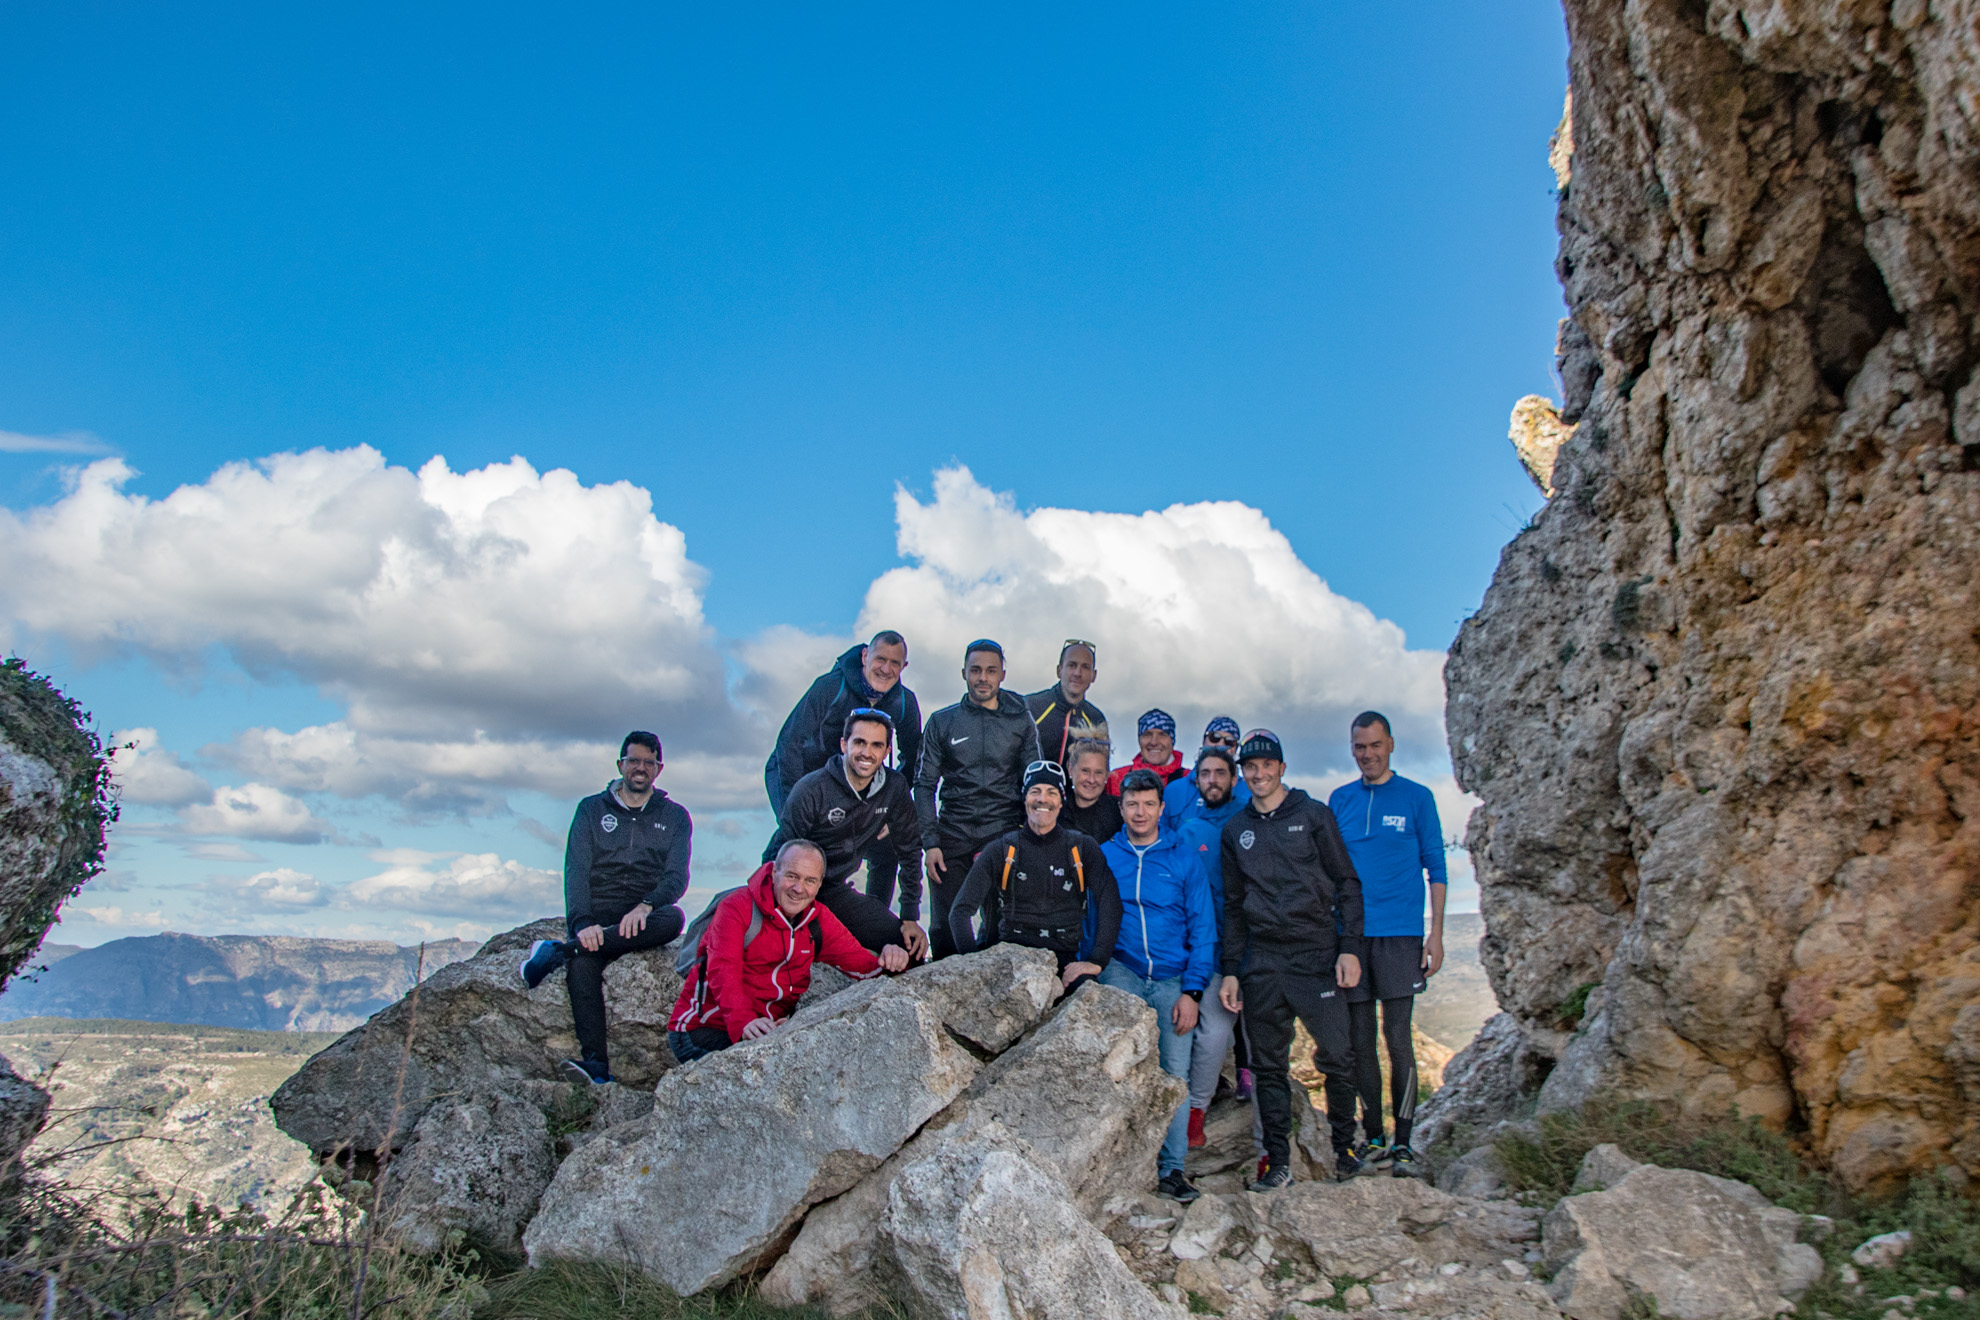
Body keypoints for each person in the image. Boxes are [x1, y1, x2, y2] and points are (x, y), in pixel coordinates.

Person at [1216, 729, 1365, 1189]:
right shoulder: (1235, 830)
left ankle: (1345, 1149)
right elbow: (1235, 907)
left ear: (1282, 768)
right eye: (1250, 767)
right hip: (1262, 961)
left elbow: (1347, 884)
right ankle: (1277, 1163)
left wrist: (1350, 948)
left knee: (1339, 1056)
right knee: (1268, 1069)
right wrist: (1232, 971)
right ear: (1244, 774)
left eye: (1267, 765)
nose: (1259, 774)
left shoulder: (1314, 815)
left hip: (1315, 954)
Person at [521, 732, 693, 1084]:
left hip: (641, 915)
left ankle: (558, 951)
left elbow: (676, 878)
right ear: (620, 765)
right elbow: (576, 869)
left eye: (648, 762)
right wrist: (582, 921)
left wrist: (646, 905)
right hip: (597, 913)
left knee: (673, 918)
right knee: (583, 965)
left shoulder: (675, 817)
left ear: (659, 769)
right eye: (633, 761)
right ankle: (596, 1065)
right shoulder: (591, 809)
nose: (640, 768)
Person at [1326, 711, 1447, 1178]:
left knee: (1398, 1041)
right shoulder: (1340, 800)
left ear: (1390, 744)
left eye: (1375, 745)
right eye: (1359, 747)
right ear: (1351, 748)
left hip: (1400, 935)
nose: (1368, 755)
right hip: (1352, 939)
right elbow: (1330, 871)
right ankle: (1373, 1134)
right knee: (1359, 1042)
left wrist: (1434, 934)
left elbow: (1436, 867)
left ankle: (1404, 1141)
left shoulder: (1418, 797)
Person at [667, 841, 908, 1062]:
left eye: (809, 880)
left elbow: (864, 967)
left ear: (819, 884)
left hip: (765, 1031)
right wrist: (744, 1022)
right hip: (704, 1029)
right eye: (792, 876)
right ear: (774, 873)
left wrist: (891, 959)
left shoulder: (817, 919)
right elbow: (722, 970)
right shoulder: (737, 906)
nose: (798, 888)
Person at [1099, 768, 1218, 1203]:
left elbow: (1203, 930)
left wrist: (1193, 992)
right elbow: (1088, 916)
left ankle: (1172, 1170)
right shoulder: (1105, 855)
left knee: (1174, 1078)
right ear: (1122, 807)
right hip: (1122, 971)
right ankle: (1115, 1164)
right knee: (1117, 1070)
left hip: (1172, 979)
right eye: (1133, 803)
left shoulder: (1183, 858)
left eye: (1149, 804)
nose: (1141, 811)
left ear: (1162, 808)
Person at [765, 631, 921, 910]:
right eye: (880, 659)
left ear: (904, 667)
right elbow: (790, 744)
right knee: (799, 847)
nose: (886, 669)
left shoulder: (905, 703)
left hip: (856, 785)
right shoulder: (829, 688)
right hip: (801, 778)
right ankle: (768, 910)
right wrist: (798, 800)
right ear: (864, 656)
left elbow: (912, 757)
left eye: (895, 663)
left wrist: (890, 807)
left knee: (886, 849)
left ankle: (873, 914)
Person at [762, 708, 930, 962]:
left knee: (911, 950)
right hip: (797, 891)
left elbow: (909, 850)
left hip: (834, 892)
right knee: (802, 946)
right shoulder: (812, 788)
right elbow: (780, 854)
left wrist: (910, 916)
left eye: (876, 745)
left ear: (886, 752)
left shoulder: (894, 788)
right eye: (859, 742)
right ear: (844, 744)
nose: (867, 752)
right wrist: (773, 907)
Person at [915, 640, 1043, 958]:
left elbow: (1035, 781)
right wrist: (930, 842)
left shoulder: (1020, 721)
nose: (982, 677)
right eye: (975, 670)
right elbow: (924, 784)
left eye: (990, 670)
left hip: (1002, 829)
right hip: (953, 831)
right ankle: (942, 994)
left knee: (1003, 924)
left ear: (1002, 674)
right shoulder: (942, 722)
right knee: (945, 925)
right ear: (964, 673)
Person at [949, 760, 1121, 991]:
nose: (1043, 799)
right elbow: (959, 912)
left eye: (1051, 792)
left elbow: (1110, 902)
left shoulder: (1082, 848)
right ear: (1025, 798)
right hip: (1010, 960)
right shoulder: (1002, 849)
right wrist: (972, 964)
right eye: (1035, 791)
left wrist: (1096, 961)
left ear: (1061, 801)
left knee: (1089, 1002)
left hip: (1064, 962)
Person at [1173, 745, 1256, 1144]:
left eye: (1220, 773)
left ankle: (1197, 1108)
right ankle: (1182, 1110)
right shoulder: (1188, 830)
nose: (1212, 781)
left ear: (1233, 779)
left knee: (1219, 1029)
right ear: (1196, 779)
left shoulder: (1248, 824)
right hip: (1197, 953)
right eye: (1205, 774)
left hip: (1240, 952)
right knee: (1190, 1025)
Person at [1026, 640, 1108, 770]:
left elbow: (1100, 767)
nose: (1077, 673)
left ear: (1094, 675)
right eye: (1072, 665)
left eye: (1085, 667)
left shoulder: (1096, 718)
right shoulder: (1031, 707)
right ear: (1059, 670)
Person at [1162, 716, 1250, 829]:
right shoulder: (1173, 790)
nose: (1220, 744)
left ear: (1235, 748)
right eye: (1214, 738)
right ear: (1204, 741)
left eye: (1229, 741)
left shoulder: (1249, 792)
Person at [1107, 710, 1189, 796]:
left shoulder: (1189, 779)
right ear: (1139, 740)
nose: (1154, 742)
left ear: (1172, 741)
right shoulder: (1116, 779)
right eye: (1147, 734)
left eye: (1162, 735)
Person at [1059, 739, 1123, 843]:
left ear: (1107, 775)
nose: (1091, 780)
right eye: (1085, 771)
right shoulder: (1057, 811)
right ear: (1070, 770)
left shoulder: (1120, 811)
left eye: (1098, 772)